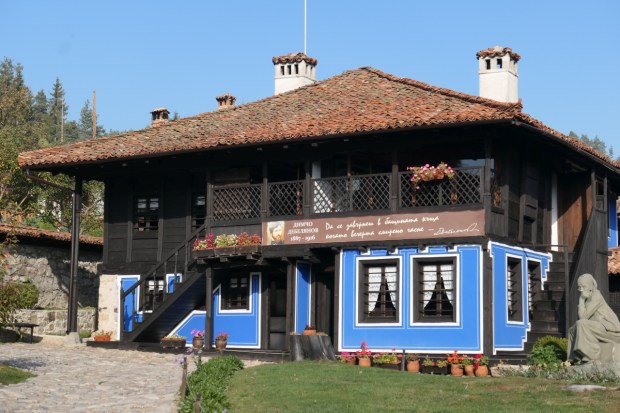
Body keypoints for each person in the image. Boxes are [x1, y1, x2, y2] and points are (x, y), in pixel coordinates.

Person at [567, 273, 620, 363]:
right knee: (572, 330)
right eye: (579, 287)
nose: (581, 290)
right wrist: (583, 300)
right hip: (599, 327)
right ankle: (574, 358)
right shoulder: (588, 298)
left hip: (610, 330)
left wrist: (581, 300)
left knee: (581, 324)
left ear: (590, 287)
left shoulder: (596, 296)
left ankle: (591, 355)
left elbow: (582, 317)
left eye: (583, 287)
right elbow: (583, 318)